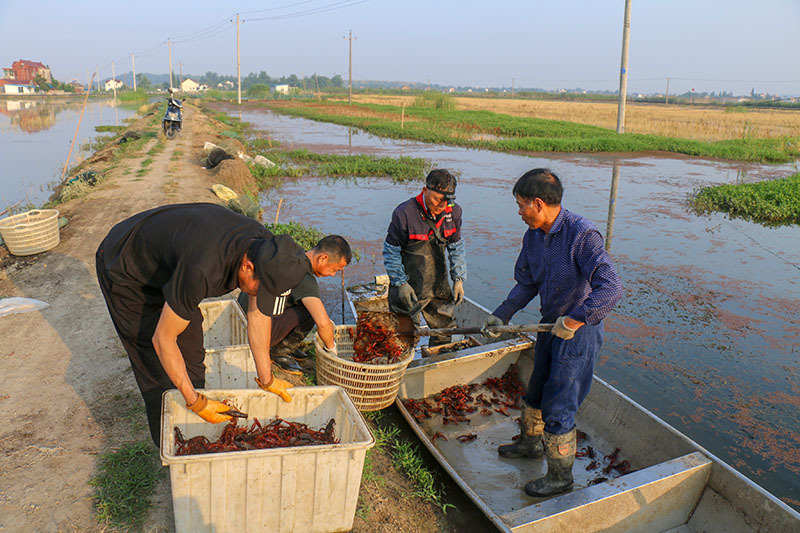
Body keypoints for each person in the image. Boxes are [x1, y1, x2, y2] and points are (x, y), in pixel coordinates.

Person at [95, 203, 347, 446]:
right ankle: (170, 445)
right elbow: (163, 339)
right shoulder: (203, 269)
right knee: (155, 365)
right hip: (126, 266)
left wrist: (267, 378)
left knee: (192, 354)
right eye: (262, 289)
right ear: (248, 267)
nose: (261, 294)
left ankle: (192, 424)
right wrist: (194, 402)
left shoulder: (268, 250)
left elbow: (258, 316)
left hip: (172, 261)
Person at [482, 169, 622, 497]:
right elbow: (528, 282)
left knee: (559, 403)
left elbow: (611, 287)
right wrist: (502, 314)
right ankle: (531, 443)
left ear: (539, 203)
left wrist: (573, 321)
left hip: (578, 333)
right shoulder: (533, 236)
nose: (518, 212)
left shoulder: (582, 235)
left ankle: (560, 477)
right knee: (537, 388)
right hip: (549, 325)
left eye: (520, 205)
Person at [237, 235, 352, 375]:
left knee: (304, 304)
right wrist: (332, 351)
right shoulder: (302, 275)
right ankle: (279, 352)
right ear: (323, 258)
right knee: (311, 313)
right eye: (335, 269)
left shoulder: (294, 256)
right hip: (254, 330)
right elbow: (323, 323)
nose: (333, 274)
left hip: (242, 316)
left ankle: (284, 344)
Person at [383, 169, 467, 347]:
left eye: (448, 201)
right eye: (438, 199)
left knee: (444, 332)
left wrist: (458, 279)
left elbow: (456, 247)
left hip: (438, 286)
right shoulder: (404, 213)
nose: (443, 205)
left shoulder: (454, 212)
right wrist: (400, 283)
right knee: (403, 336)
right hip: (409, 286)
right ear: (425, 190)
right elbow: (391, 252)